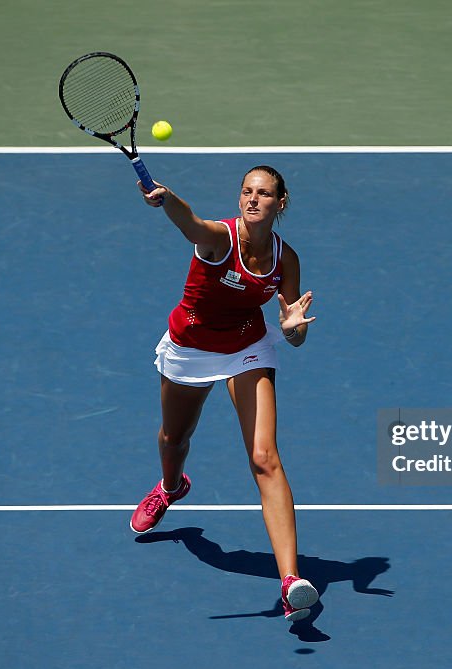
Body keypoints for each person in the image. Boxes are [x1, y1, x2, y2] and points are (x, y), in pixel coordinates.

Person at [129, 165, 320, 622]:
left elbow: (294, 331)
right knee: (173, 440)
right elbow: (189, 223)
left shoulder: (285, 259)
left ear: (280, 203)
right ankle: (172, 486)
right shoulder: (219, 238)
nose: (253, 199)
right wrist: (167, 200)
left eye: (264, 193)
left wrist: (292, 331)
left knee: (264, 457)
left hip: (246, 346)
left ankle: (291, 579)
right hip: (191, 348)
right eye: (247, 192)